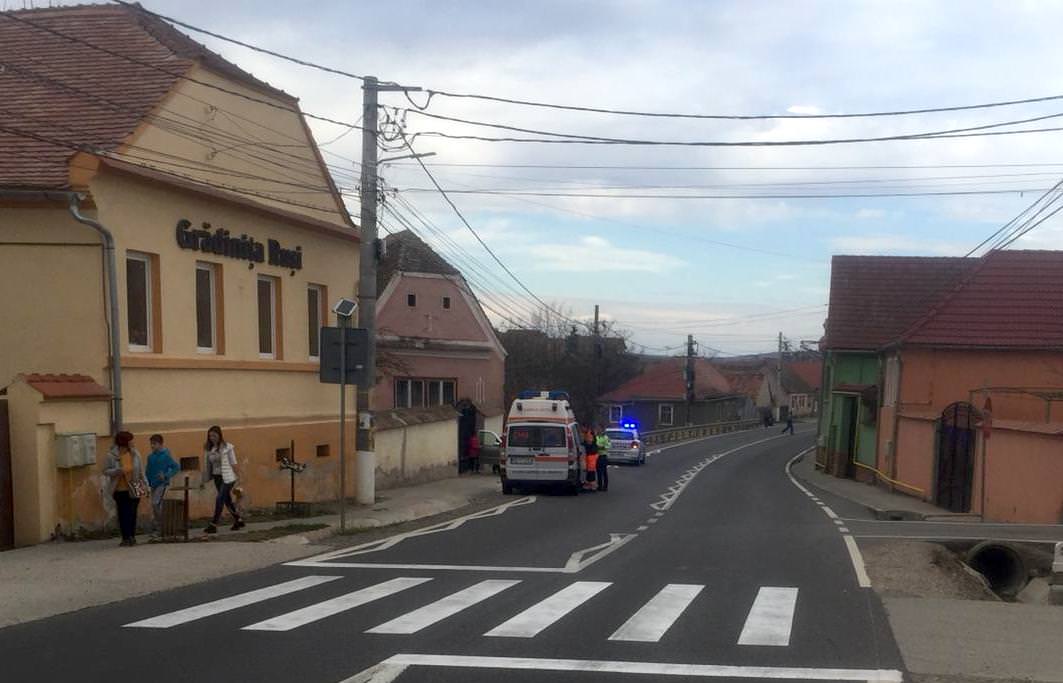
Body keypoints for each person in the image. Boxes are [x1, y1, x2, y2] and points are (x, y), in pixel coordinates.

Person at [102, 431, 147, 547]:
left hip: (135, 486)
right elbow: (105, 471)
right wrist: (117, 471)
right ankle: (125, 537)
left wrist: (146, 485)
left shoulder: (135, 453)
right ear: (124, 441)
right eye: (131, 440)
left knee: (133, 513)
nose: (133, 442)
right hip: (120, 489)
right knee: (123, 514)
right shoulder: (111, 456)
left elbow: (141, 470)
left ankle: (132, 537)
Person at [203, 425, 245, 534]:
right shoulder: (209, 449)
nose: (212, 438)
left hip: (228, 477)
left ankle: (213, 524)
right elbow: (208, 465)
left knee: (219, 498)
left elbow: (233, 463)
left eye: (214, 435)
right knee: (227, 500)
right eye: (210, 436)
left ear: (219, 435)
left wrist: (239, 478)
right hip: (217, 477)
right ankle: (238, 519)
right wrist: (205, 479)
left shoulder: (228, 447)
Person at [145, 434, 180, 540]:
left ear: (160, 444)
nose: (152, 446)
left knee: (156, 503)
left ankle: (160, 527)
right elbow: (148, 471)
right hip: (152, 484)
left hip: (162, 484)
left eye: (154, 444)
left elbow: (176, 467)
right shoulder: (150, 457)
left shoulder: (166, 455)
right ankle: (159, 527)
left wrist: (166, 475)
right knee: (155, 505)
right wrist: (147, 483)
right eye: (151, 444)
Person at [582, 425, 599, 491]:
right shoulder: (587, 433)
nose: (582, 429)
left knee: (591, 471)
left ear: (585, 427)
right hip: (590, 454)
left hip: (591, 455)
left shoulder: (589, 434)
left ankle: (593, 486)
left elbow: (589, 443)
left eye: (583, 428)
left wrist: (583, 444)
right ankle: (589, 485)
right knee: (589, 471)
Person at [594, 427, 611, 492]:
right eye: (598, 429)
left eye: (600, 429)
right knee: (598, 472)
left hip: (603, 456)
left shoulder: (605, 437)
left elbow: (608, 445)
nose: (598, 430)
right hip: (597, 456)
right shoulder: (596, 437)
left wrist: (602, 447)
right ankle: (599, 486)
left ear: (603, 430)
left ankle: (605, 486)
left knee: (604, 472)